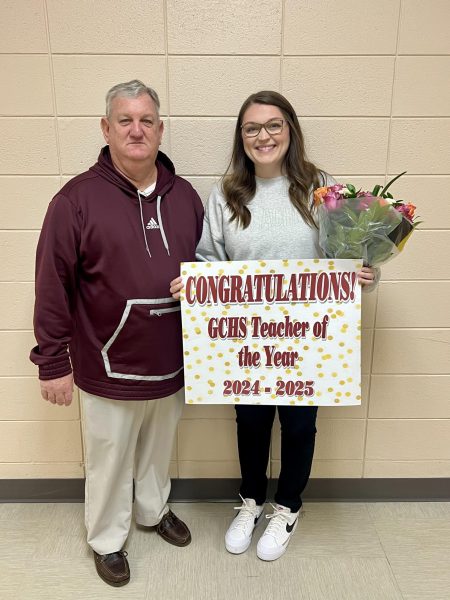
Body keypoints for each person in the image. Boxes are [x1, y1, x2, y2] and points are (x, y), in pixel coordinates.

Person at [171, 90, 377, 562]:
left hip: (309, 339)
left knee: (300, 424)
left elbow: (347, 254)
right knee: (251, 420)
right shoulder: (225, 194)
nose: (263, 136)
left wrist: (363, 273)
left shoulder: (322, 188)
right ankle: (250, 500)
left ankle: (287, 507)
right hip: (247, 340)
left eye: (273, 125)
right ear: (241, 138)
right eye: (252, 128)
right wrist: (196, 285)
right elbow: (210, 259)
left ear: (290, 130)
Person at [30, 80, 204, 586]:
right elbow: (51, 283)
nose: (136, 130)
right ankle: (107, 538)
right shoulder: (75, 200)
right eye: (125, 120)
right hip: (108, 363)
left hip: (171, 360)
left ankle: (153, 512)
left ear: (160, 129)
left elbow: (210, 270)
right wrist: (52, 362)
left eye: (146, 120)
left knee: (157, 450)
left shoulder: (186, 196)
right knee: (109, 459)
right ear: (106, 129)